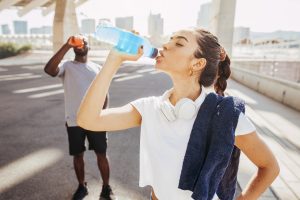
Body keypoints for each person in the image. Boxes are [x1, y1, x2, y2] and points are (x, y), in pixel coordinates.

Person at [77, 28, 280, 200]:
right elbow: (88, 119)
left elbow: (269, 167)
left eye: (179, 43)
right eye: (169, 40)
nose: (165, 45)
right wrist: (114, 59)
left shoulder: (224, 115)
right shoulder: (149, 108)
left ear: (197, 63)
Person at [44, 36, 115, 200]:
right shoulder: (67, 66)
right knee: (78, 155)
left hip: (95, 120)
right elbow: (49, 70)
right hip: (74, 119)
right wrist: (66, 45)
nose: (80, 46)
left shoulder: (96, 68)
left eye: (83, 43)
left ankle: (106, 188)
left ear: (88, 47)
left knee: (101, 154)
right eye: (77, 44)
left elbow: (104, 93)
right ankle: (82, 186)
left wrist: (103, 114)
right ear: (74, 48)